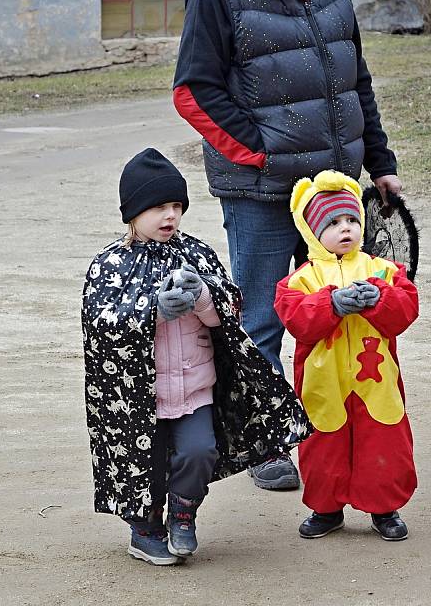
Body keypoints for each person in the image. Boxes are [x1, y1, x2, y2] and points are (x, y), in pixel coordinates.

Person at [173, 0, 401, 490]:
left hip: (335, 192)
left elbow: (354, 79)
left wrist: (378, 163)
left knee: (339, 307)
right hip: (261, 189)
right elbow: (193, 90)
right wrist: (263, 154)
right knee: (263, 317)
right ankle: (264, 437)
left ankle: (335, 422)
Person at [81, 147, 311, 566]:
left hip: (195, 385)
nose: (169, 216)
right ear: (132, 213)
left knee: (199, 451)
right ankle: (145, 528)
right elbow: (101, 322)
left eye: (175, 206)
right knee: (142, 464)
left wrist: (204, 296)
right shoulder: (109, 265)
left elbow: (230, 308)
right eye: (157, 207)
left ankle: (183, 513)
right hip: (136, 399)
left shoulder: (197, 253)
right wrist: (154, 309)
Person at [274, 169, 418, 541]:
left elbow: (405, 310)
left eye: (352, 219)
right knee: (324, 443)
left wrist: (380, 299)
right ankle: (326, 508)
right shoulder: (300, 279)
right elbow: (296, 319)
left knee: (383, 439)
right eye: (333, 222)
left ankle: (384, 507)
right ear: (310, 231)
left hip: (376, 381)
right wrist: (332, 304)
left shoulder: (382, 270)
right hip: (324, 383)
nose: (346, 228)